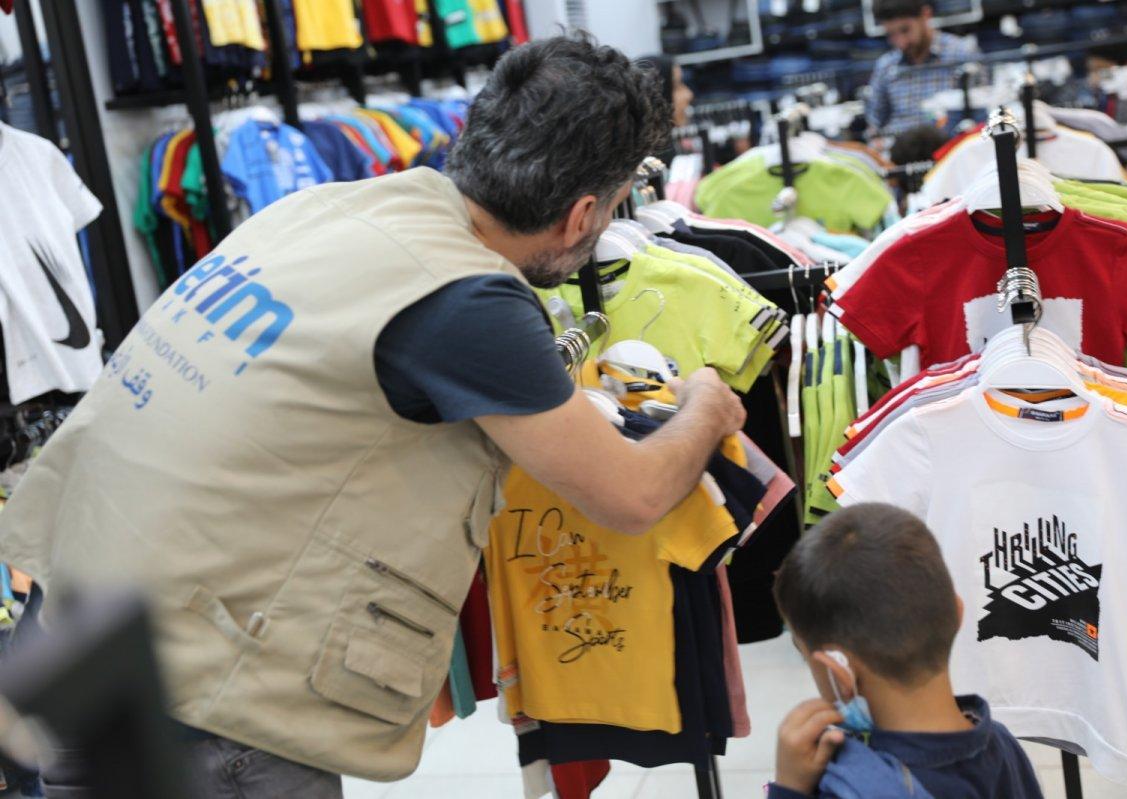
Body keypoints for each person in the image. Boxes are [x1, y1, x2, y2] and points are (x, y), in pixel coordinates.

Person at [0, 34, 747, 798]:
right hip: (198, 705)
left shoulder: (330, 208)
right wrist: (705, 403)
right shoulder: (468, 298)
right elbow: (630, 495)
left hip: (69, 633)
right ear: (582, 213)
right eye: (615, 207)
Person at [768, 504, 1043, 799]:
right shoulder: (1003, 745)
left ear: (837, 671)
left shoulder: (849, 786)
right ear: (957, 613)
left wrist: (789, 789)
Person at [865, 0, 981, 137]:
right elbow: (875, 124)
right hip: (899, 145)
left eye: (905, 30)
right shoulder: (885, 66)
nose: (901, 43)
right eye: (891, 34)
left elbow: (981, 116)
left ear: (926, 14)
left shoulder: (963, 53)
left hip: (950, 144)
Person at [636, 53, 695, 164]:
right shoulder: (654, 163)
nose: (689, 94)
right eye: (676, 86)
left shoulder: (677, 145)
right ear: (658, 95)